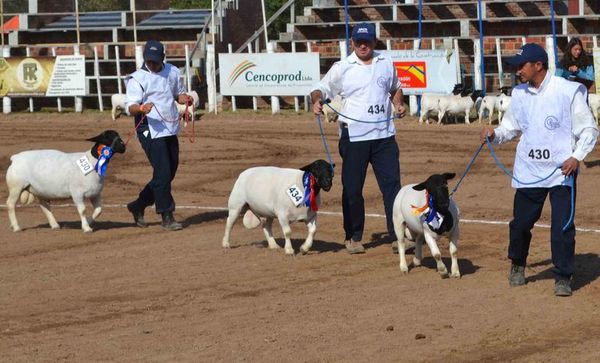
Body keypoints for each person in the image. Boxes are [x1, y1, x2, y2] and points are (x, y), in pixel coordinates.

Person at [480, 43, 598, 296]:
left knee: (562, 226)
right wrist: (495, 134)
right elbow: (510, 128)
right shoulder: (520, 94)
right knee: (521, 224)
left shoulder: (567, 91)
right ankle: (518, 263)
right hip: (529, 171)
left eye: (521, 66)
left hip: (561, 171)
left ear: (538, 65)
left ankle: (563, 276)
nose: (517, 71)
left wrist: (576, 157)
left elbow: (589, 129)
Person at [310, 22, 406, 254]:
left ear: (374, 41)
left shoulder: (386, 62)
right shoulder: (342, 67)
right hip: (354, 137)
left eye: (368, 41)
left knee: (392, 187)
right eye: (358, 42)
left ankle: (398, 236)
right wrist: (316, 100)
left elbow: (395, 88)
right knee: (353, 188)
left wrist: (399, 103)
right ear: (352, 42)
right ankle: (353, 236)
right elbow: (320, 88)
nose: (363, 45)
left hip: (384, 136)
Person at [125, 40, 193, 231]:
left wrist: (185, 98)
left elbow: (176, 94)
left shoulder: (172, 71)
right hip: (147, 128)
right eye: (149, 61)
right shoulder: (137, 78)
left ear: (163, 58)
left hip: (169, 126)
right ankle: (167, 215)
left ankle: (138, 205)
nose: (152, 65)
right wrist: (140, 107)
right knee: (163, 171)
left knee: (169, 171)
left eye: (155, 61)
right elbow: (130, 107)